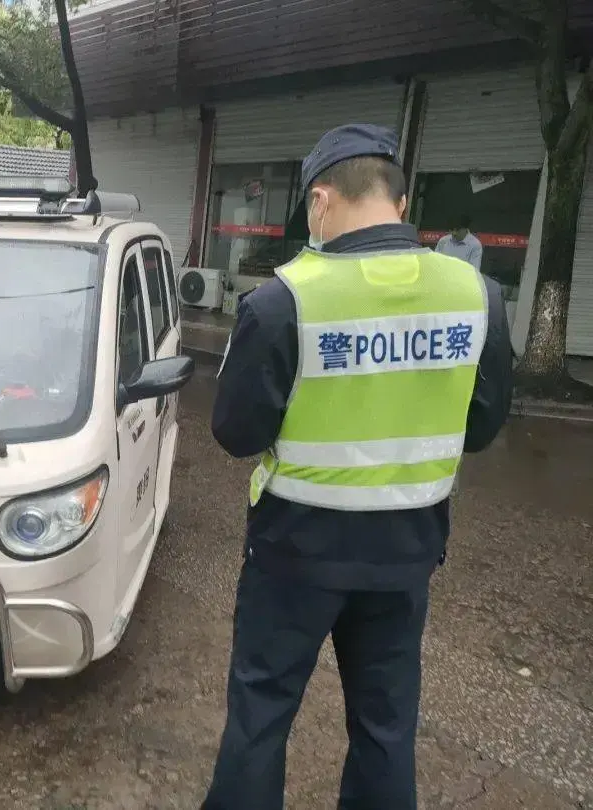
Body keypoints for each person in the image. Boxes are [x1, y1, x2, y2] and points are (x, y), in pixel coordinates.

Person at [202, 124, 512, 810]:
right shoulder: (478, 296)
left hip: (294, 553)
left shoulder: (283, 301)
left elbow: (235, 433)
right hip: (406, 554)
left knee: (260, 717)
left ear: (320, 201)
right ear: (399, 202)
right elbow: (483, 428)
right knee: (385, 727)